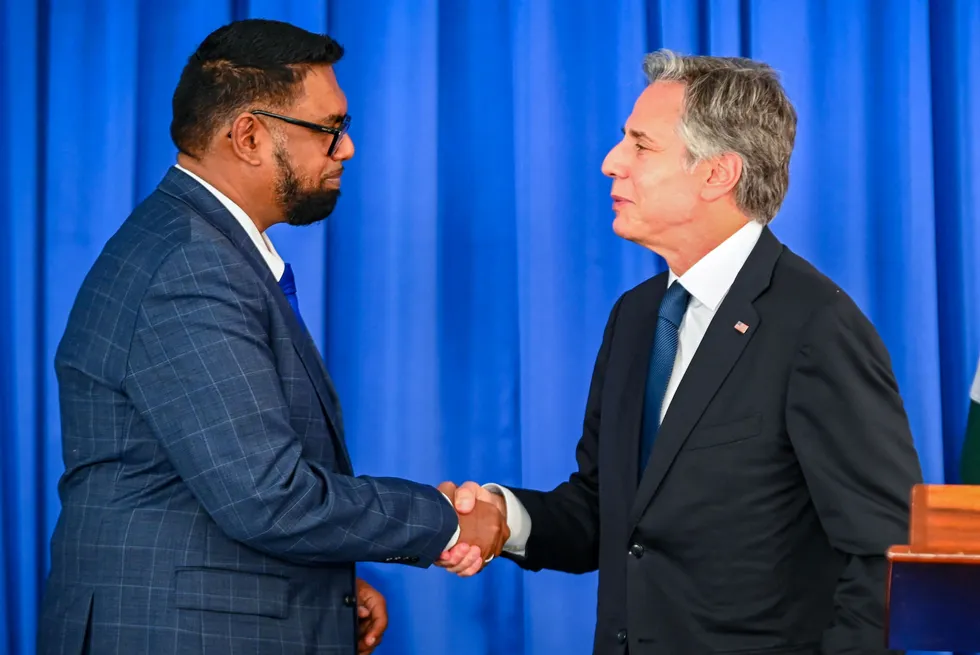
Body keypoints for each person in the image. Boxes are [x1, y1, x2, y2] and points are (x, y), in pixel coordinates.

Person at [38, 18, 507, 655]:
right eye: (330, 128)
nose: (346, 149)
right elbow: (268, 495)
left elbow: (202, 482)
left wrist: (325, 587)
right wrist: (445, 520)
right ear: (250, 136)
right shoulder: (190, 267)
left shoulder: (195, 246)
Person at [439, 50, 923, 654]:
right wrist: (503, 517)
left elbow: (885, 553)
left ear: (717, 173)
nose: (611, 162)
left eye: (641, 146)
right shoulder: (637, 315)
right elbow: (609, 513)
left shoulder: (816, 326)